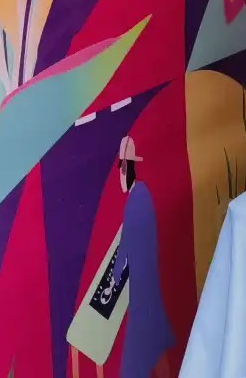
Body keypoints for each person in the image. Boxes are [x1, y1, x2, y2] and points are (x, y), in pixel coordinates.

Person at [66, 135, 174, 378]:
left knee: (142, 354)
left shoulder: (139, 196)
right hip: (141, 292)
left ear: (126, 167)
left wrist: (115, 276)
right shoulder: (138, 196)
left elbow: (131, 243)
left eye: (121, 170)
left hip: (142, 292)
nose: (120, 176)